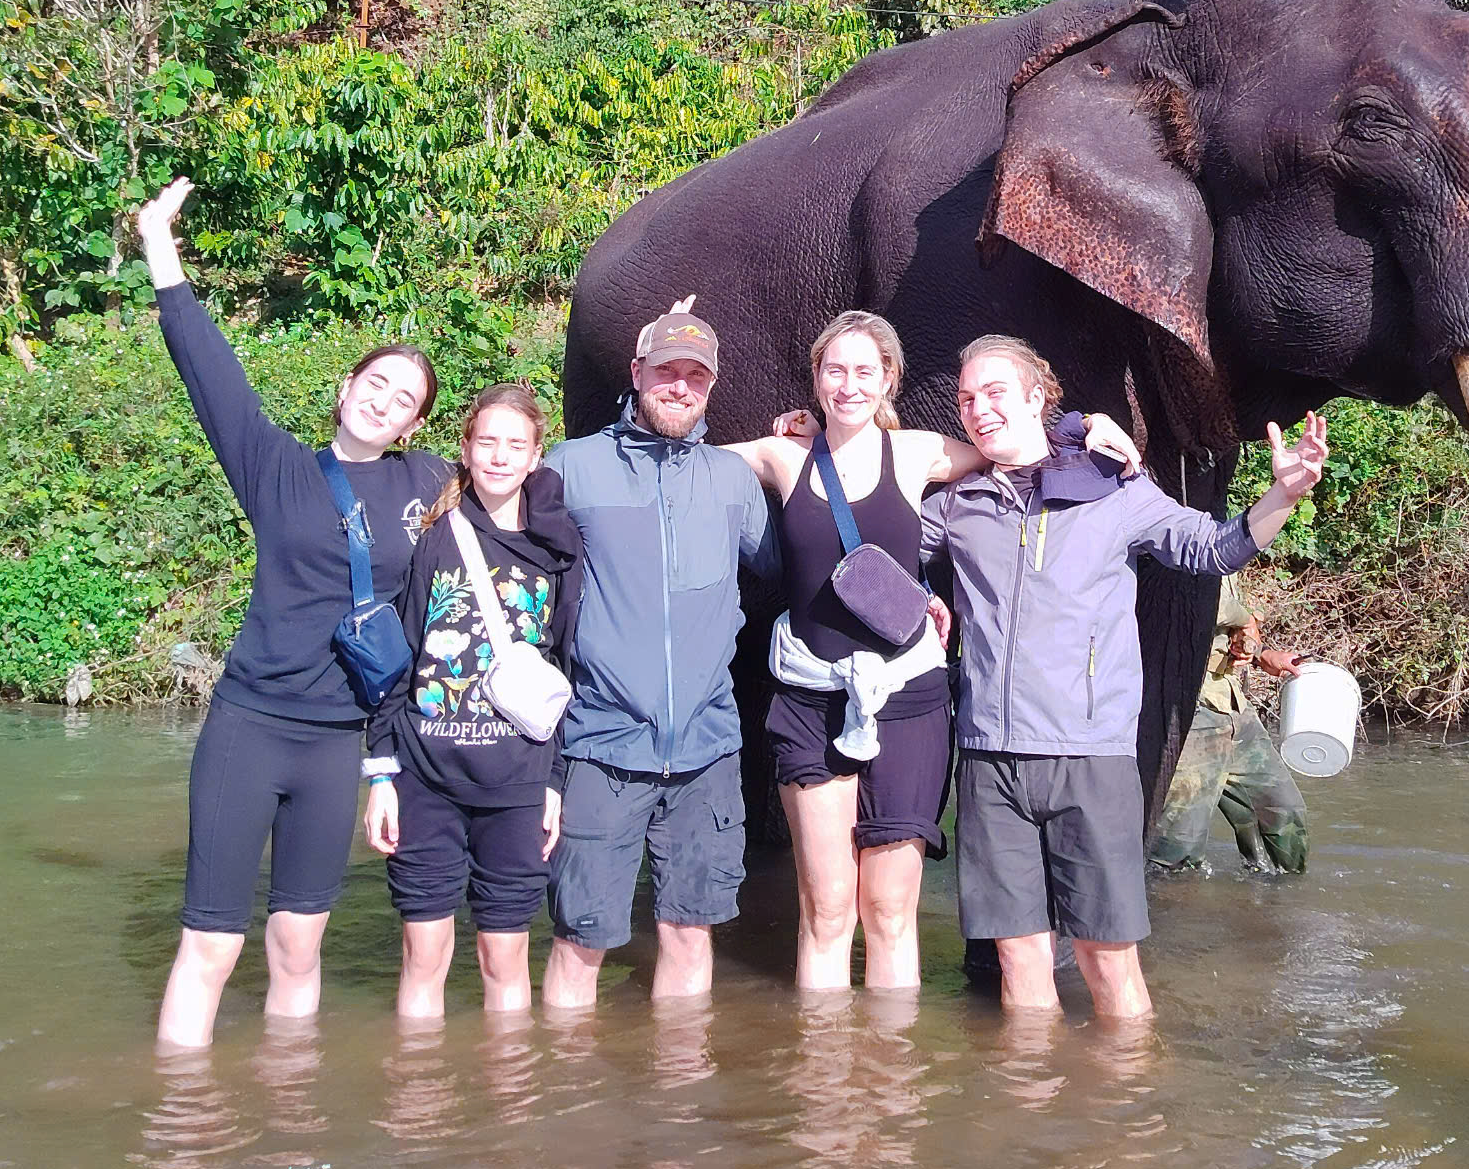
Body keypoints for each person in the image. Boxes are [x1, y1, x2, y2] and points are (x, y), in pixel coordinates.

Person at [718, 311, 1141, 992]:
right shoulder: (782, 457)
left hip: (908, 702)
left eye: (865, 371)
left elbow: (1014, 445)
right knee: (827, 912)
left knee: (888, 912)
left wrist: (1082, 423)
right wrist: (644, 390)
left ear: (888, 378)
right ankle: (824, 1089)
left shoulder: (915, 452)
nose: (849, 385)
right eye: (835, 371)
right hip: (808, 698)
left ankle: (890, 1089)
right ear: (816, 378)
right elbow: (684, 461)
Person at [918, 334, 1328, 1020]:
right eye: (965, 397)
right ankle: (1031, 1110)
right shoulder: (958, 506)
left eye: (994, 393)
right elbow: (874, 539)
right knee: (1019, 956)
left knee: (1104, 955)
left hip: (1092, 756)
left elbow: (1213, 547)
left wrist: (1281, 493)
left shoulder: (1117, 491)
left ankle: (1129, 1114)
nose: (977, 408)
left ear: (1037, 399)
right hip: (990, 760)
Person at [137, 177, 452, 1050]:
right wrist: (160, 244)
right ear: (347, 384)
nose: (383, 403)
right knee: (211, 941)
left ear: (414, 425)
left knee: (298, 941)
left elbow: (525, 476)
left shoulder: (428, 486)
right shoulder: (277, 467)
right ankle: (181, 1125)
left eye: (405, 402)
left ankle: (289, 1118)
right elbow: (209, 369)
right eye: (376, 384)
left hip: (335, 741)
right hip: (251, 724)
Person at [538, 303, 773, 1007]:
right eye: (665, 370)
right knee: (580, 939)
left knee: (689, 933)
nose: (679, 386)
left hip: (707, 750)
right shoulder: (569, 469)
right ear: (636, 373)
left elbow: (782, 572)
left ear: (711, 387)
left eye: (694, 376)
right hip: (600, 746)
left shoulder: (733, 482)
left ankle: (677, 1102)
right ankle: (562, 1100)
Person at [362, 384, 582, 1019]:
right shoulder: (432, 537)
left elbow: (565, 669)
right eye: (487, 442)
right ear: (465, 448)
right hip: (426, 781)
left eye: (517, 445)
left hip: (517, 782)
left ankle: (508, 1106)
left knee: (504, 959)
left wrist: (554, 783)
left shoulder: (556, 550)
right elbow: (398, 661)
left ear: (537, 457)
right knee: (423, 957)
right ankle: (420, 1108)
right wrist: (382, 773)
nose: (500, 457)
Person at [1146, 575, 1310, 875]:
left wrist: (1258, 653)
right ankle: (1161, 915)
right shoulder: (1177, 535)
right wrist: (1246, 619)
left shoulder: (1227, 540)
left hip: (1234, 706)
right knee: (1177, 850)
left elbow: (1231, 623)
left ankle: (1281, 909)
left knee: (1284, 813)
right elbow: (1201, 601)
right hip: (1187, 710)